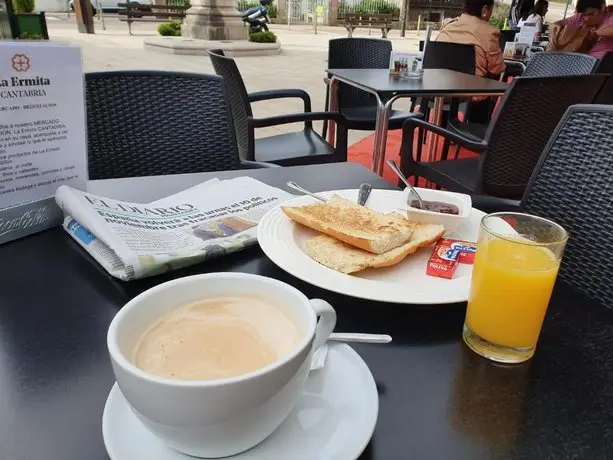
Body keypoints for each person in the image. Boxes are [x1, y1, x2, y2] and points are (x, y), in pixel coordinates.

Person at [437, 0, 505, 122]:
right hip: (470, 95)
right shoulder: (488, 32)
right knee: (488, 82)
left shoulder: (447, 26)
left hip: (440, 90)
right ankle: (478, 126)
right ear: (485, 10)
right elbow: (497, 69)